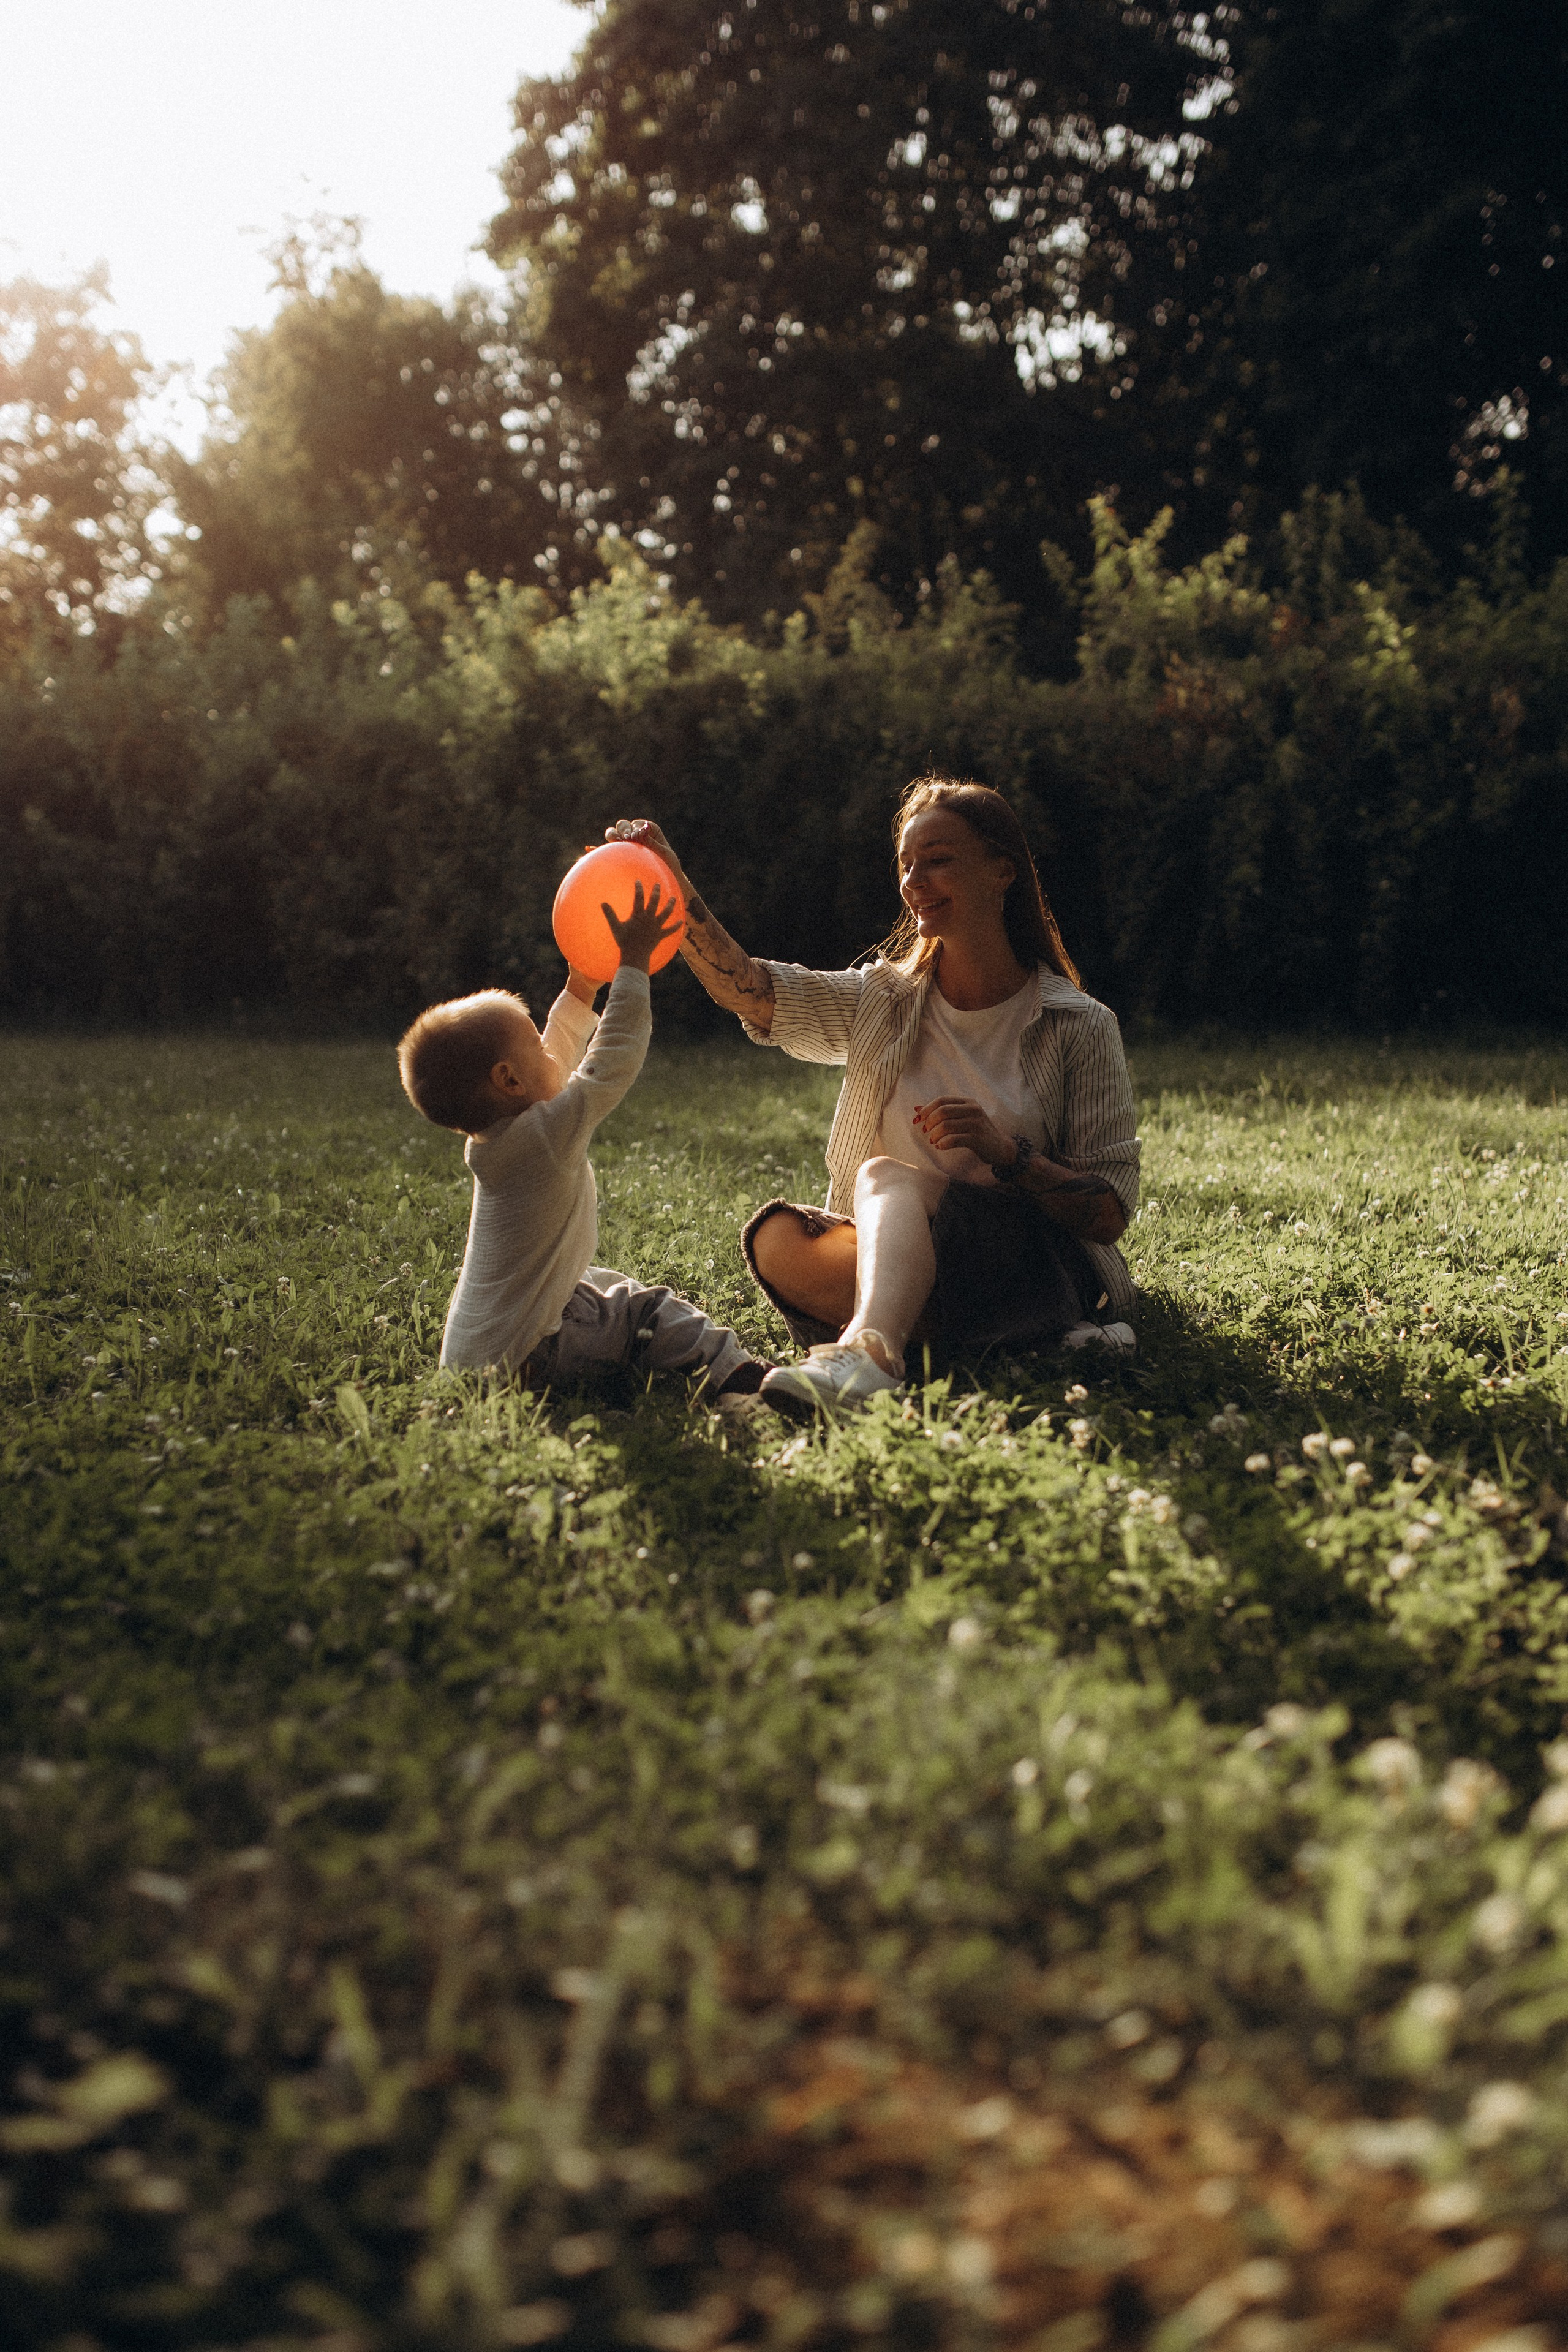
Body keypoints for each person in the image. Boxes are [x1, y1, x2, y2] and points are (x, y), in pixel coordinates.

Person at [605, 780, 1140, 1411]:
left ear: (1003, 872)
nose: (915, 880)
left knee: (887, 1175)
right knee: (778, 1237)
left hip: (1033, 1265)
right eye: (906, 864)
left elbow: (1107, 1215)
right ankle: (1032, 1344)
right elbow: (749, 989)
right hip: (917, 1263)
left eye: (938, 859)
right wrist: (673, 885)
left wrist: (1010, 1155)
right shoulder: (880, 1002)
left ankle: (870, 1354)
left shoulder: (1078, 1023)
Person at [396, 881, 769, 1400]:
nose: (550, 1051)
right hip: (533, 1358)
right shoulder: (544, 1137)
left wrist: (580, 989)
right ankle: (743, 1380)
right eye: (534, 1043)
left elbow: (553, 1060)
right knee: (647, 1309)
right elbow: (612, 1059)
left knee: (595, 1280)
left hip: (478, 1363)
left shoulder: (503, 1139)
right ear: (508, 1080)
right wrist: (633, 966)